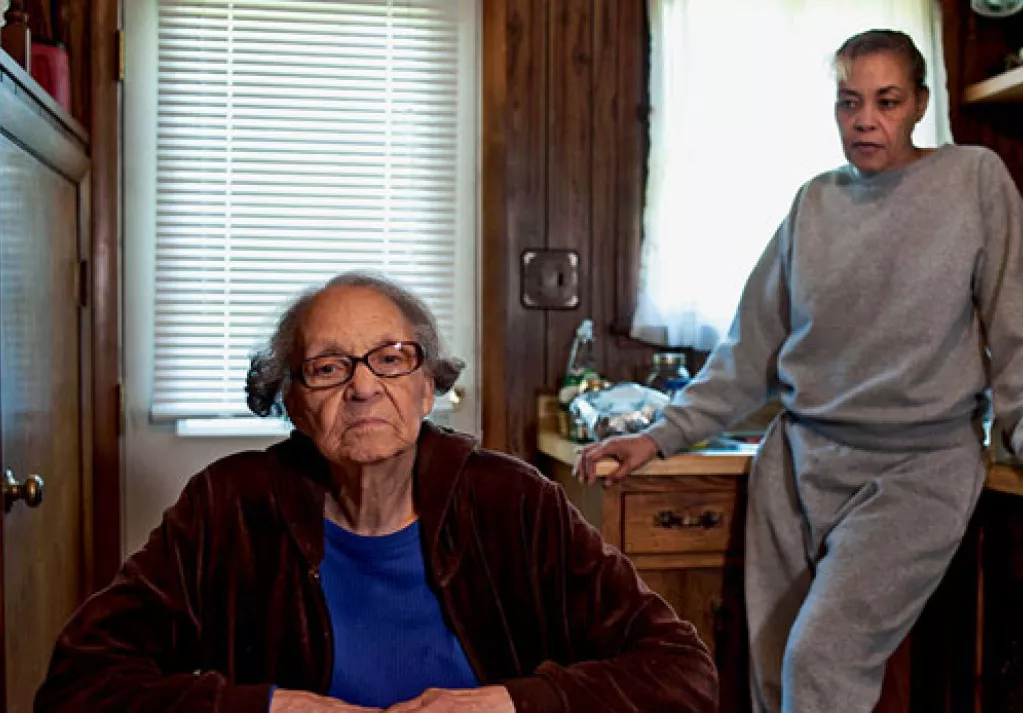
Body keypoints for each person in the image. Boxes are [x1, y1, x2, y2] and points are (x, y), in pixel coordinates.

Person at [576, 28, 1023, 713]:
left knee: (821, 658)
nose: (865, 119)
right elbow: (747, 352)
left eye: (886, 101)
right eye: (849, 102)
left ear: (920, 103)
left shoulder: (974, 180)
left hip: (918, 470)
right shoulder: (813, 203)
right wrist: (660, 435)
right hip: (798, 465)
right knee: (775, 677)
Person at [34, 272, 718, 713]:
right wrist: (269, 707)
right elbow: (78, 683)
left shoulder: (513, 503)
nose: (363, 387)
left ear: (428, 387)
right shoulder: (228, 509)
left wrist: (507, 703)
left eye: (391, 359)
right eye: (327, 367)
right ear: (293, 404)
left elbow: (682, 672)